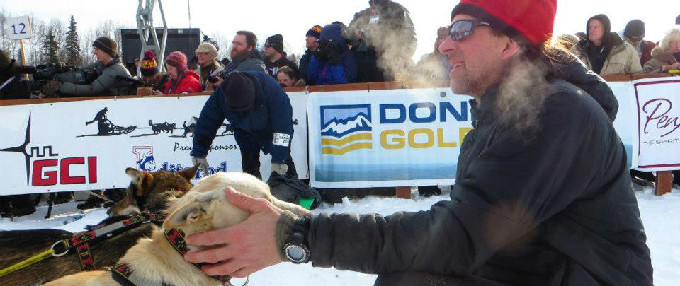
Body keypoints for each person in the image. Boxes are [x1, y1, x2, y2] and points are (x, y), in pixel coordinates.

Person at [183, 0, 653, 285]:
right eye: (447, 31)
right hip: (539, 268)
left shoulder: (557, 113)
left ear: (511, 43)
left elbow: (457, 238)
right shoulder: (506, 109)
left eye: (463, 30)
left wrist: (296, 235)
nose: (446, 44)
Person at [190, 71, 297, 180]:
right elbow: (207, 122)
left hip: (270, 130)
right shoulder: (220, 95)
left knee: (285, 168)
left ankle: (292, 186)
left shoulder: (272, 90)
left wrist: (280, 159)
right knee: (249, 173)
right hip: (244, 133)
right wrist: (199, 152)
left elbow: (283, 128)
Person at [348, 0, 416, 82]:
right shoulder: (361, 15)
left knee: (388, 90)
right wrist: (355, 34)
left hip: (389, 61)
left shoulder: (397, 11)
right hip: (363, 61)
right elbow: (348, 35)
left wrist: (403, 55)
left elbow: (409, 35)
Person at [41, 36, 132, 97]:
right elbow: (80, 70)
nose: (95, 52)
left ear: (106, 51)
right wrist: (63, 69)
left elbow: (92, 89)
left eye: (97, 49)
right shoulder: (102, 64)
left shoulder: (115, 70)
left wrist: (61, 87)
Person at [570, 14, 642, 75]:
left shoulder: (625, 49)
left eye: (595, 27)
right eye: (589, 27)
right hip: (585, 91)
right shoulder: (577, 50)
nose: (591, 30)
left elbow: (637, 76)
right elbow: (569, 74)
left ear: (605, 28)